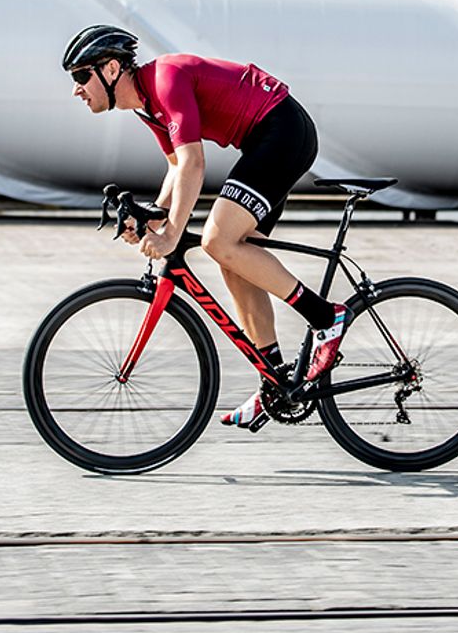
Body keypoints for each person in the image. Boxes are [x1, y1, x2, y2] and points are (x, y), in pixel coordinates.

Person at [61, 24, 350, 430]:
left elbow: (195, 162)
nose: (76, 89)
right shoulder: (145, 103)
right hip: (264, 141)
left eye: (80, 76)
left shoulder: (166, 80)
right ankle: (275, 381)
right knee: (234, 259)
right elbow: (176, 167)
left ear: (110, 70)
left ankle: (325, 317)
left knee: (218, 240)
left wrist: (172, 234)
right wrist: (151, 217)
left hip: (281, 130)